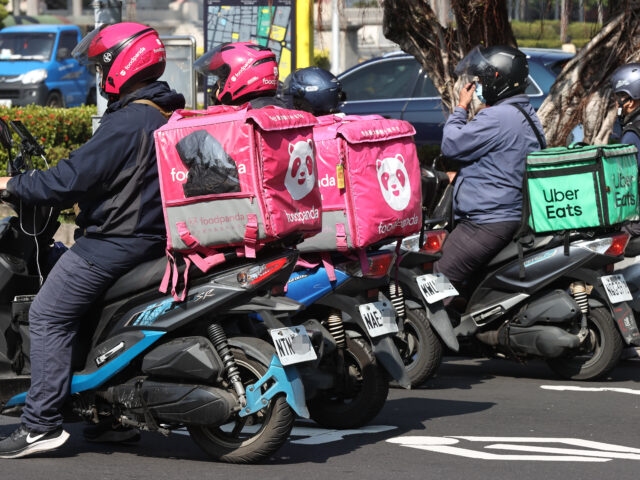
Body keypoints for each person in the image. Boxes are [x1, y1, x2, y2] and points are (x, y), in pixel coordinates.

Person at [0, 22, 185, 459]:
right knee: (96, 319)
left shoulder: (128, 120)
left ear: (122, 65)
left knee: (46, 314)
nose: (99, 75)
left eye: (102, 64)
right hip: (152, 239)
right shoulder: (163, 112)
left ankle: (42, 424)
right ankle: (109, 420)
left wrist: (14, 183)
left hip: (114, 242)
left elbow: (72, 178)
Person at [433, 45, 546, 298]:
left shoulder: (497, 117)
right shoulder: (525, 112)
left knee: (436, 282)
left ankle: (433, 337)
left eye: (482, 80)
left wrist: (461, 108)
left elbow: (452, 146)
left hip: (486, 221)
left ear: (499, 80)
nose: (478, 87)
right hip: (511, 215)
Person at [193, 42, 287, 109]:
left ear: (239, 75)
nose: (217, 85)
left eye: (221, 78)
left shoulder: (237, 124)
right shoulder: (289, 113)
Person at [610, 63, 640, 238]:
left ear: (630, 99)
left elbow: (623, 181)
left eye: (618, 98)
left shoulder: (632, 133)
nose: (616, 103)